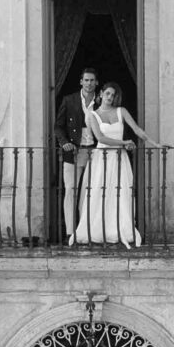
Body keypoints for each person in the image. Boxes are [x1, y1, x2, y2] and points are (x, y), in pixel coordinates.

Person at [77, 82, 147, 248]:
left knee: (121, 193)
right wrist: (124, 143)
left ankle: (119, 228)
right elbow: (100, 138)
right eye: (107, 93)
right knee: (99, 194)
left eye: (113, 95)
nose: (110, 97)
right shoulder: (92, 115)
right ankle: (97, 229)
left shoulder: (121, 111)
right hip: (101, 159)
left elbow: (137, 129)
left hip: (119, 159)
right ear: (101, 94)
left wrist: (155, 143)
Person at [55, 69, 99, 241]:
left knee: (92, 192)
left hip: (96, 152)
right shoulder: (69, 100)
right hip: (74, 151)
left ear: (96, 83)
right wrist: (64, 142)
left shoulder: (102, 100)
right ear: (81, 82)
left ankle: (87, 231)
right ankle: (70, 232)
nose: (89, 83)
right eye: (86, 80)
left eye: (92, 80)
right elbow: (58, 126)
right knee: (71, 190)